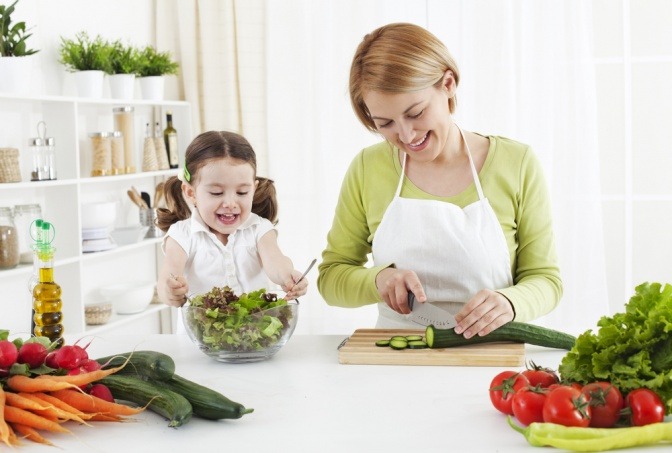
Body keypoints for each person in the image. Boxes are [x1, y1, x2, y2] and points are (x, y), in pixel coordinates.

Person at [317, 23, 562, 338]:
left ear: (448, 84)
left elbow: (546, 281)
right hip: (395, 356)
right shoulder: (368, 168)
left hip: (490, 356)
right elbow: (331, 279)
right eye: (385, 123)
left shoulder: (516, 163)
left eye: (416, 113)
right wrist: (378, 280)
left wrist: (509, 302)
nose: (406, 135)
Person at [156, 130, 308, 316]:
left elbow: (276, 262)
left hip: (253, 339)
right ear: (190, 193)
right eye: (216, 193)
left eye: (242, 192)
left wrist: (288, 276)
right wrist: (170, 291)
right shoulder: (181, 235)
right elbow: (168, 275)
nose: (230, 203)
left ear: (253, 189)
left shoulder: (259, 229)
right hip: (200, 340)